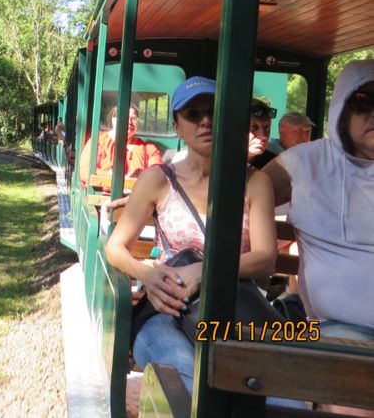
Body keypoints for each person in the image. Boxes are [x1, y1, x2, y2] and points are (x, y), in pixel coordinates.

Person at [105, 76, 277, 393]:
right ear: (177, 126)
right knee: (190, 383)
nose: (206, 121)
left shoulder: (254, 183)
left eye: (214, 111)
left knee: (275, 391)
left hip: (233, 308)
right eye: (193, 114)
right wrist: (148, 274)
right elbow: (115, 248)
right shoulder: (158, 180)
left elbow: (266, 259)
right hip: (166, 308)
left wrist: (205, 272)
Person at [264, 60, 374, 342]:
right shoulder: (305, 163)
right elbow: (240, 201)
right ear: (341, 107)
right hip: (339, 331)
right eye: (363, 102)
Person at [78, 105, 163, 187]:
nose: (129, 122)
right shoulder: (97, 142)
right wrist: (114, 177)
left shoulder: (149, 149)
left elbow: (157, 174)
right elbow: (85, 172)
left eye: (134, 119)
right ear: (113, 119)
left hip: (138, 199)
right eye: (125, 117)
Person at [247, 98, 278, 169]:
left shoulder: (274, 165)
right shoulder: (218, 159)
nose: (263, 135)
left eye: (267, 128)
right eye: (254, 128)